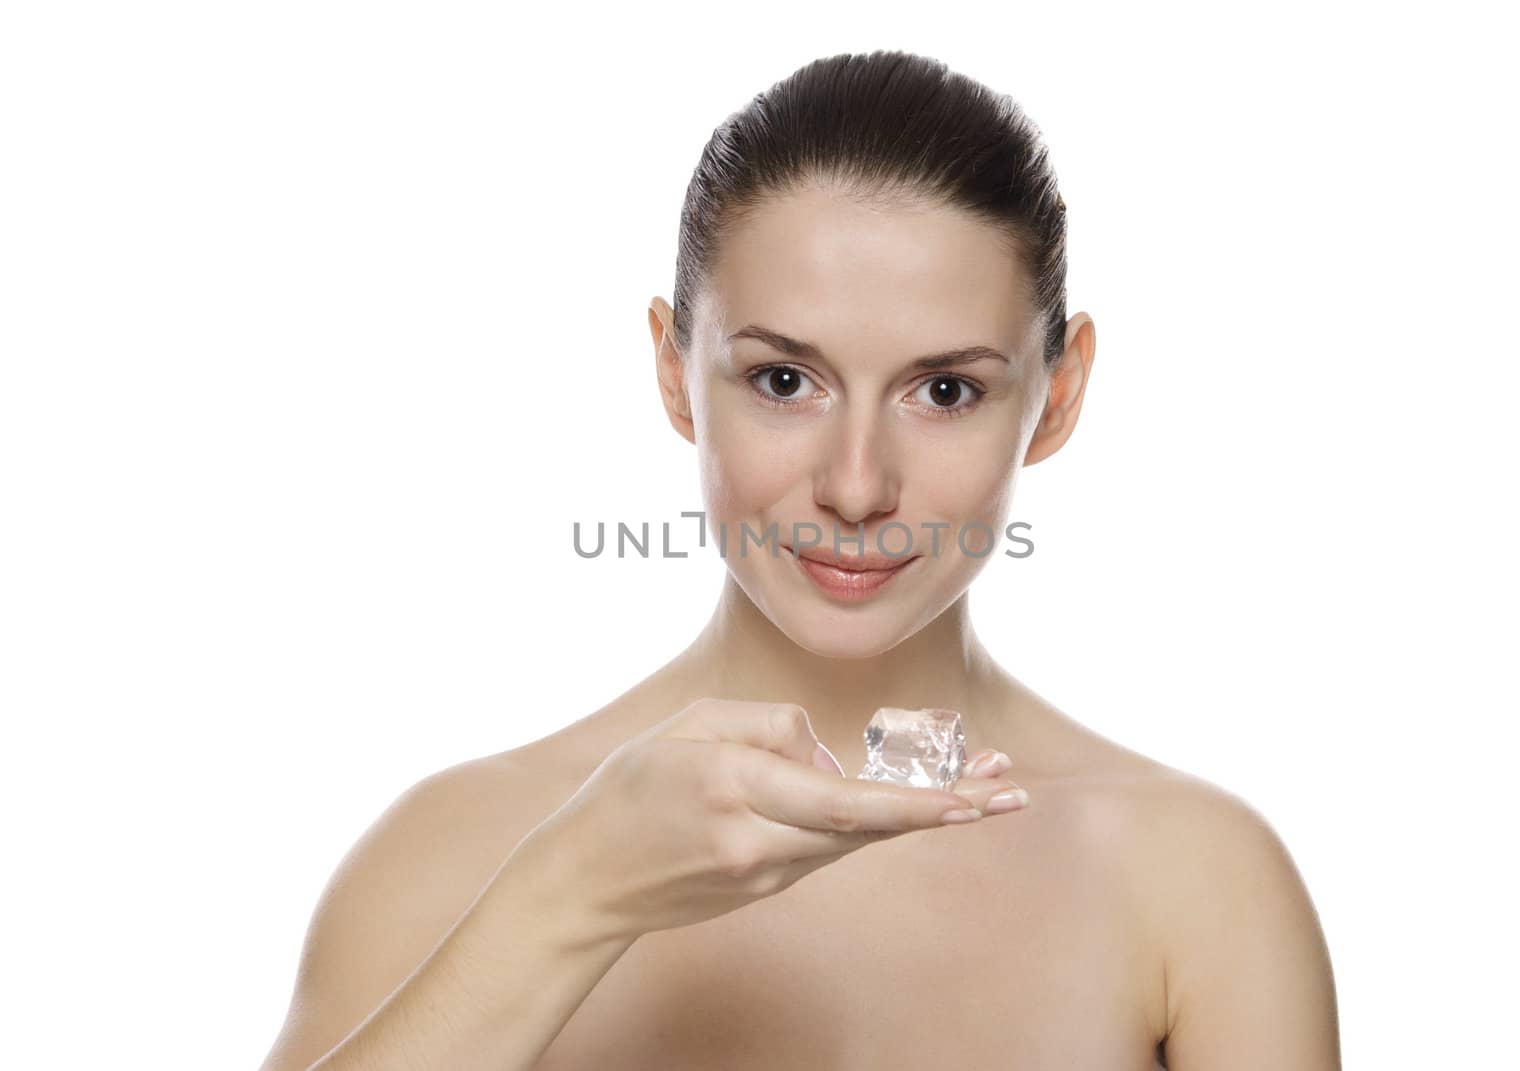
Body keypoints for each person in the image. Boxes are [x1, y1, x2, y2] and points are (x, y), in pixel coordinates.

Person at [257, 49, 1340, 1071]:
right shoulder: (460, 857)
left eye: (945, 391)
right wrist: (569, 897)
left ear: (1057, 397)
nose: (856, 487)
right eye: (784, 382)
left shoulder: (1193, 882)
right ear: (676, 373)